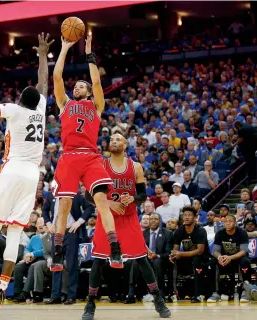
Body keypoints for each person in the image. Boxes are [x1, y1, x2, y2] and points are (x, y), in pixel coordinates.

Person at [0, 33, 53, 317]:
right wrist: (43, 55)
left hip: (12, 169)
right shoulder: (40, 111)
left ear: (20, 100)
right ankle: (2, 291)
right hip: (33, 176)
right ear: (37, 101)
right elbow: (43, 82)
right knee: (15, 231)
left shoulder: (15, 110)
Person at [51, 34, 122, 273]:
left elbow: (98, 82)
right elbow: (57, 76)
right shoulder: (65, 104)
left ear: (89, 92)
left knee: (102, 199)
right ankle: (58, 251)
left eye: (81, 86)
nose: (76, 87)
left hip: (91, 156)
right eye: (76, 86)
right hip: (69, 156)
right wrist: (64, 49)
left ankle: (114, 246)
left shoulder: (96, 105)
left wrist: (89, 52)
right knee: (64, 205)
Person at [82, 134, 170, 320]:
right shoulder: (101, 166)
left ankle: (157, 299)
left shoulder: (135, 167)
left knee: (141, 260)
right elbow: (89, 196)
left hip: (129, 219)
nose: (114, 141)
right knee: (98, 261)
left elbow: (142, 196)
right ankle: (90, 303)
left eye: (118, 139)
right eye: (112, 139)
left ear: (125, 144)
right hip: (107, 220)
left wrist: (134, 199)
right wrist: (107, 203)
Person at [170, 206, 215, 303]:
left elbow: (199, 251)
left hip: (203, 258)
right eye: (184, 215)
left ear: (195, 218)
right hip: (186, 258)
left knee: (196, 259)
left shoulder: (200, 230)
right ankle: (172, 293)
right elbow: (175, 248)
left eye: (189, 215)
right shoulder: (179, 230)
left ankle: (198, 294)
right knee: (170, 261)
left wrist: (180, 254)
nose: (186, 217)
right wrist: (173, 255)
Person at [208, 215, 251, 302]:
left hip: (238, 258)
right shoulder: (220, 233)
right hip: (225, 260)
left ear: (235, 223)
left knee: (245, 261)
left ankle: (245, 291)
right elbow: (215, 251)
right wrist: (220, 257)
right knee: (212, 262)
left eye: (230, 221)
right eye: (225, 221)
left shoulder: (242, 232)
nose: (227, 223)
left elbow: (244, 251)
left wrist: (231, 257)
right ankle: (215, 292)